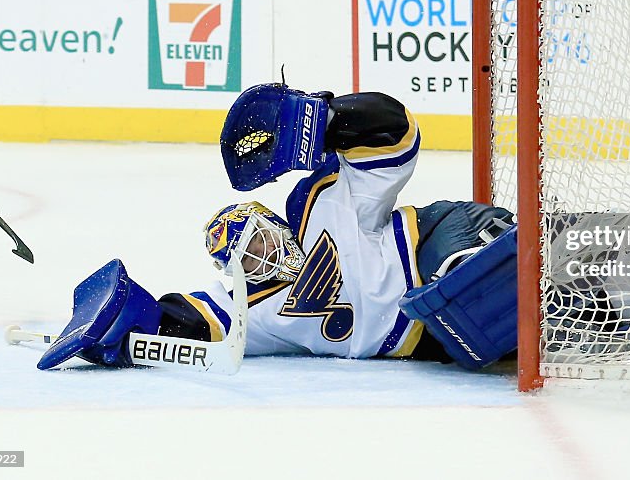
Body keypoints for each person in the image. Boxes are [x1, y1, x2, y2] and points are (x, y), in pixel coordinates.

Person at [37, 84, 517, 370]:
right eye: (247, 257)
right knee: (472, 329)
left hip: (433, 245)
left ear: (273, 222)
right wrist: (119, 334)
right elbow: (176, 323)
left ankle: (529, 261)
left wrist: (327, 120)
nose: (262, 255)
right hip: (425, 334)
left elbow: (395, 131)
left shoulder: (318, 205)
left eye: (260, 238)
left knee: (465, 274)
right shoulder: (252, 312)